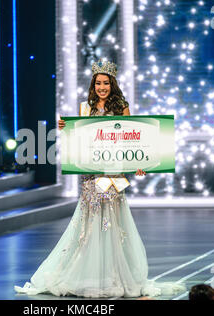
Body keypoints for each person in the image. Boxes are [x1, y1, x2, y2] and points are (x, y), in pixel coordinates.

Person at [14, 60, 185, 298]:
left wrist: (139, 163)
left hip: (113, 174)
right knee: (90, 224)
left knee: (112, 223)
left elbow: (131, 139)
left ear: (112, 85)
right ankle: (88, 275)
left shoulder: (122, 106)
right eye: (98, 83)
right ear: (92, 85)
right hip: (92, 176)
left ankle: (112, 274)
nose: (102, 87)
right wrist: (67, 128)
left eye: (106, 83)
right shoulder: (85, 108)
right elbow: (81, 140)